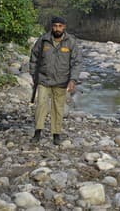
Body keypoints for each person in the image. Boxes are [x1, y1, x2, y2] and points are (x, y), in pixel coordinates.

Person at [29, 16, 82, 145]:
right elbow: (34, 57)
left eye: (60, 26)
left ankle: (56, 134)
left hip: (61, 81)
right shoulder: (43, 40)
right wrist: (34, 75)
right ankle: (37, 133)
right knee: (41, 105)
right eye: (55, 26)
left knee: (58, 108)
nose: (57, 28)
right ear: (51, 26)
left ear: (64, 27)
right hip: (44, 80)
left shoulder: (71, 42)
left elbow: (76, 63)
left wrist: (73, 80)